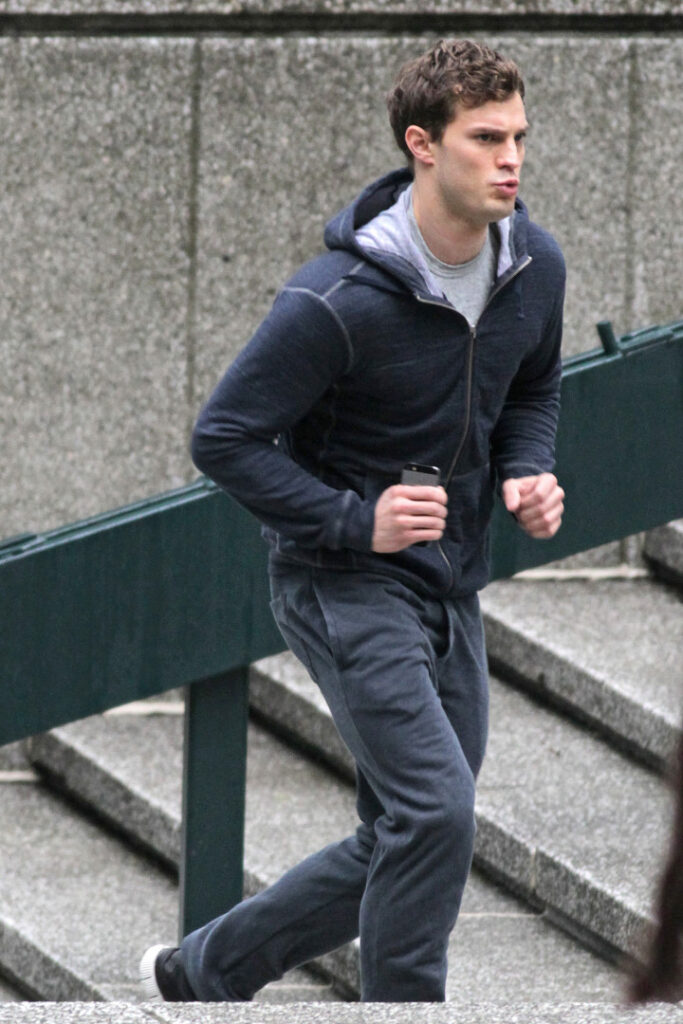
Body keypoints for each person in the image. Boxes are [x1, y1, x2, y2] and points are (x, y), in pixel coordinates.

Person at [140, 37, 565, 1003]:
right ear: (422, 144)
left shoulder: (532, 266)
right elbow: (224, 438)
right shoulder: (333, 300)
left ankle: (201, 972)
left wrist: (527, 471)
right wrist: (352, 519)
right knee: (436, 812)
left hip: (450, 578)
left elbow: (533, 387)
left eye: (518, 137)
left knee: (409, 829)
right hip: (341, 580)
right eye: (485, 139)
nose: (510, 160)